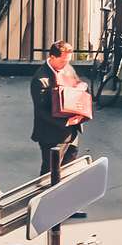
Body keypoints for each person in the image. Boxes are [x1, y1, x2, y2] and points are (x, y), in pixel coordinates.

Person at [31, 41, 92, 178]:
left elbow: (78, 84)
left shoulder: (67, 68)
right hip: (52, 135)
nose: (66, 65)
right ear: (52, 57)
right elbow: (41, 111)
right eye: (63, 61)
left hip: (72, 132)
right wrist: (67, 123)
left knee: (69, 170)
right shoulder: (40, 79)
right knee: (50, 174)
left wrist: (82, 88)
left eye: (68, 61)